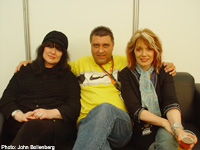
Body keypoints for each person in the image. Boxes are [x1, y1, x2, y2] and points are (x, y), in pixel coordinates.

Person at [14, 26, 176, 149]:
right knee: (99, 143)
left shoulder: (125, 62)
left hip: (121, 125)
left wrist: (166, 64)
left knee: (104, 108)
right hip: (87, 125)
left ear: (113, 45)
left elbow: (146, 59)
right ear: (90, 45)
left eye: (105, 45)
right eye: (96, 45)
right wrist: (30, 62)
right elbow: (54, 64)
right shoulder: (79, 65)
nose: (100, 50)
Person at [119, 28, 198, 150]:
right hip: (144, 128)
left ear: (156, 51)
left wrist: (177, 129)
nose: (144, 54)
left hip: (171, 120)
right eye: (139, 49)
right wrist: (165, 123)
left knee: (167, 143)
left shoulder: (164, 70)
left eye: (149, 49)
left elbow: (170, 102)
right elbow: (134, 109)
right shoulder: (126, 74)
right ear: (133, 52)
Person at [0, 31, 81, 149]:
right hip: (20, 122)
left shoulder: (69, 77)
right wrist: (20, 115)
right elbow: (6, 99)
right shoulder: (24, 70)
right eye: (49, 46)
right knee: (27, 127)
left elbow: (74, 107)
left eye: (58, 49)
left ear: (63, 54)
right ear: (42, 48)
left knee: (33, 126)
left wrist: (50, 113)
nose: (53, 52)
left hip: (53, 127)